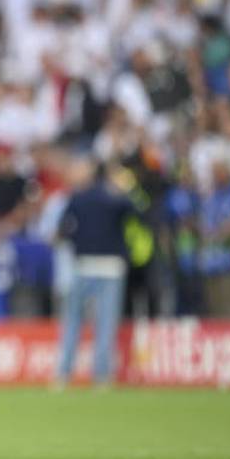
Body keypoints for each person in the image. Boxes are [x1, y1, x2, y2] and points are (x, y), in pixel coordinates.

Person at [54, 160, 137, 388]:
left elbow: (63, 229)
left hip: (84, 265)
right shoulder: (116, 199)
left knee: (72, 321)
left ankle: (64, 373)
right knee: (106, 324)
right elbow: (136, 214)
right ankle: (101, 376)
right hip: (111, 267)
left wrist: (78, 242)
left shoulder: (78, 198)